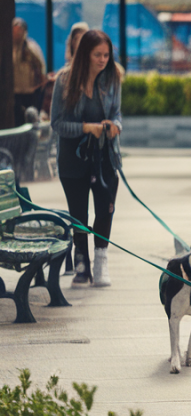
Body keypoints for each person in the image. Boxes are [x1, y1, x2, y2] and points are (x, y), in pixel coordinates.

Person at [50, 29, 123, 288]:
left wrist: (114, 125)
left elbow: (117, 113)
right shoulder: (66, 80)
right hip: (74, 158)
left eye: (106, 55)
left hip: (105, 157)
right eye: (97, 55)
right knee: (78, 213)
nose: (103, 60)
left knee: (105, 209)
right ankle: (81, 264)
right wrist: (86, 127)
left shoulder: (113, 78)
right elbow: (57, 124)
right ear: (85, 55)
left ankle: (101, 261)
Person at [12, 17, 47, 126]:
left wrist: (41, 84)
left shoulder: (31, 47)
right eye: (14, 31)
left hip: (30, 90)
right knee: (17, 118)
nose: (17, 34)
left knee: (31, 117)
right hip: (15, 90)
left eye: (19, 30)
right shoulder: (9, 48)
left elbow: (41, 66)